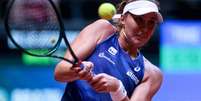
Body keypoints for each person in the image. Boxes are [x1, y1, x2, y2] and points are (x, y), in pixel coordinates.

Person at [54, 0, 163, 101]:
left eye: (151, 23)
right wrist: (78, 71)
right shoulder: (102, 31)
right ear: (123, 19)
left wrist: (118, 89)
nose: (145, 28)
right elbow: (59, 72)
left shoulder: (151, 74)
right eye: (139, 19)